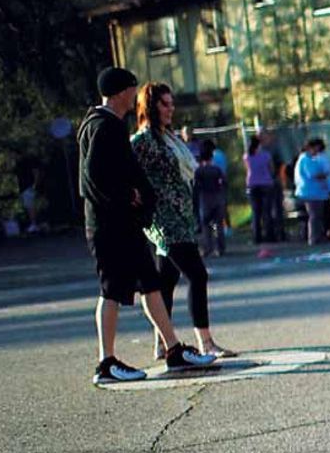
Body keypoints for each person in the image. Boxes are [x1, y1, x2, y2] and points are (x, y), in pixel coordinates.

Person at [78, 67, 216, 385]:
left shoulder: (109, 124)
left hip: (127, 225)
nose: (133, 96)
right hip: (109, 225)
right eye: (131, 89)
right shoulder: (101, 125)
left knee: (151, 284)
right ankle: (106, 362)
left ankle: (173, 350)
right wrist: (129, 194)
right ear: (120, 92)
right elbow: (93, 178)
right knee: (111, 290)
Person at [130, 83, 237, 360]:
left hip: (182, 216)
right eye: (164, 104)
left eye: (171, 103)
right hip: (164, 220)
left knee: (167, 279)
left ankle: (162, 343)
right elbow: (127, 171)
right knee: (197, 274)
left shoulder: (170, 137)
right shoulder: (142, 141)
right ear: (150, 106)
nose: (170, 109)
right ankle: (206, 341)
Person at [293, 138, 330, 246]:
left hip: (315, 192)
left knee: (318, 215)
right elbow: (313, 174)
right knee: (314, 216)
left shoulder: (309, 159)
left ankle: (319, 236)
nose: (317, 152)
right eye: (316, 149)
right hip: (310, 192)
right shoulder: (306, 160)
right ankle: (314, 238)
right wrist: (325, 174)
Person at [194, 140, 228, 258]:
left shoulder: (199, 171)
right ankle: (221, 248)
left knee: (206, 225)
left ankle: (208, 248)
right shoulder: (216, 170)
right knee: (219, 225)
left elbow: (196, 186)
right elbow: (224, 182)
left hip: (205, 199)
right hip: (217, 198)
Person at [244, 133, 278, 245]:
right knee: (267, 211)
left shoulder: (247, 156)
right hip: (266, 184)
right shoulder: (266, 155)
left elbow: (247, 169)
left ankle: (256, 236)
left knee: (256, 212)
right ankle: (270, 235)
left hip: (252, 184)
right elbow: (271, 169)